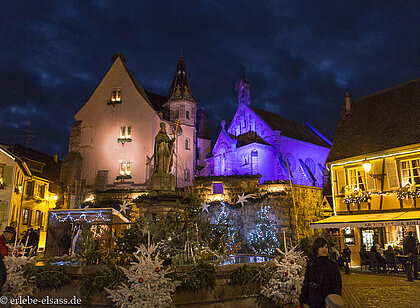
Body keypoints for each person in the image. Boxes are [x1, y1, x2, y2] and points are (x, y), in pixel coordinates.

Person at [300, 237, 342, 308]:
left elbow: (337, 284)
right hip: (313, 299)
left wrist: (334, 300)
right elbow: (307, 281)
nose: (324, 249)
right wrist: (303, 299)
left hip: (326, 300)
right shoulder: (311, 263)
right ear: (317, 248)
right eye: (321, 247)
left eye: (326, 247)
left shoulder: (332, 264)